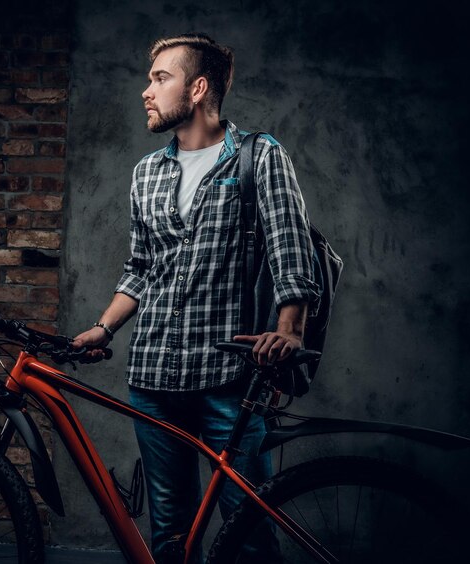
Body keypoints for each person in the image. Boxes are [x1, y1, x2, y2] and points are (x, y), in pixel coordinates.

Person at [73, 33, 318, 563]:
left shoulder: (258, 157)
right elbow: (140, 268)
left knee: (248, 530)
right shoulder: (147, 173)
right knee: (169, 532)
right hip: (153, 378)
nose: (147, 90)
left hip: (229, 379)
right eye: (150, 78)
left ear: (198, 87)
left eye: (161, 78)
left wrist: (290, 329)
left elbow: (291, 250)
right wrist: (105, 326)